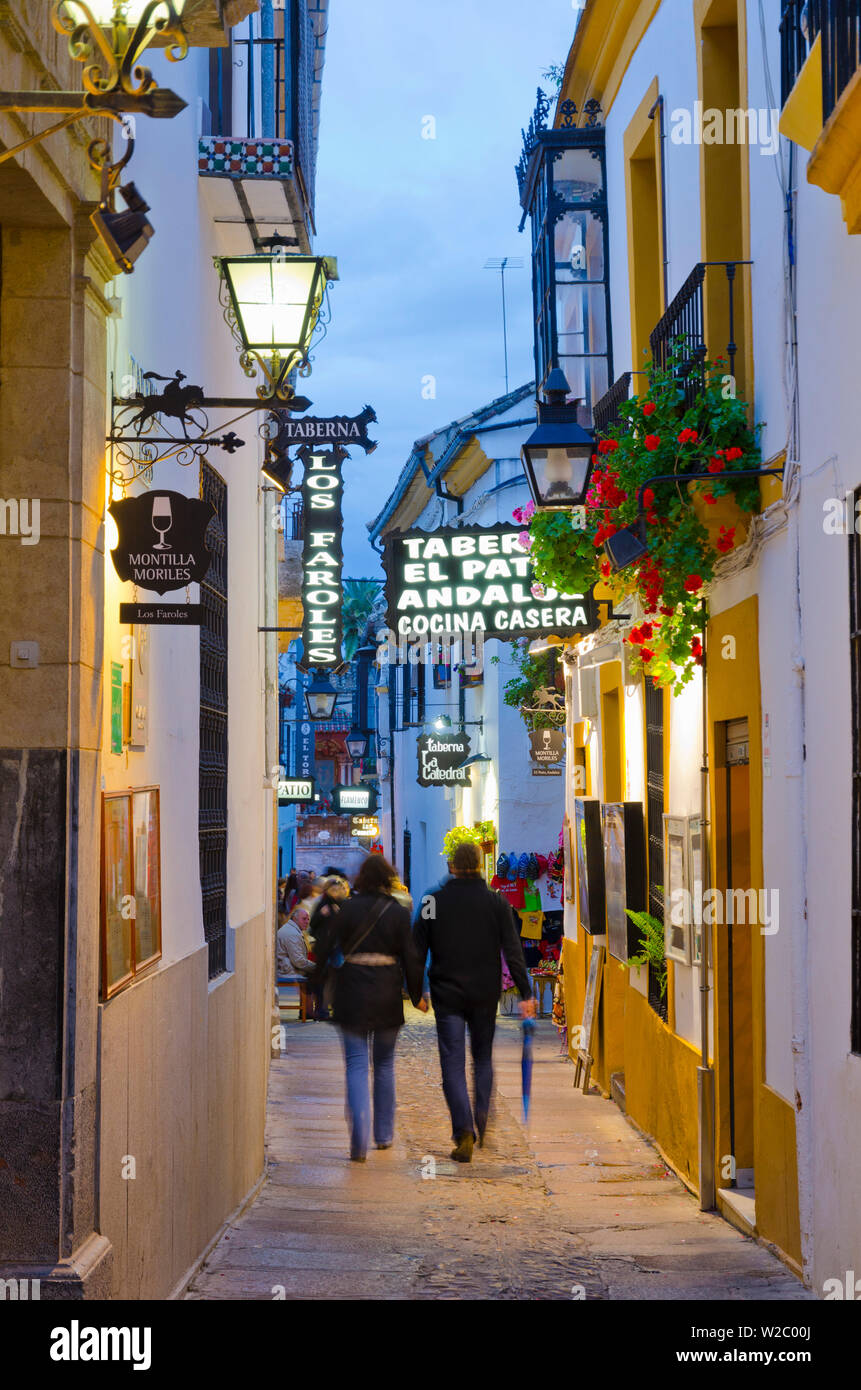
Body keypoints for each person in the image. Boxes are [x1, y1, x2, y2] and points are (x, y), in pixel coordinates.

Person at [413, 839, 535, 1164]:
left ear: (451, 866)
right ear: (480, 865)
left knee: (452, 1063)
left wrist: (415, 991)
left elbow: (416, 950)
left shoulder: (432, 901)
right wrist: (526, 993)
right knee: (482, 1058)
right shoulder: (496, 903)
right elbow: (513, 950)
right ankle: (482, 1114)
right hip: (484, 994)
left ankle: (464, 1131)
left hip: (447, 995)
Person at [310, 855, 424, 1161]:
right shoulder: (399, 914)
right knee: (384, 1066)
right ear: (388, 879)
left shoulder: (347, 909)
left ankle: (359, 1137)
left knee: (357, 1065)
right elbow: (412, 958)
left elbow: (324, 947)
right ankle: (384, 1134)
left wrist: (318, 985)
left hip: (352, 992)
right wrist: (416, 995)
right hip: (386, 992)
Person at [276, 906, 312, 979]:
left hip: (287, 972)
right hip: (288, 975)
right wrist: (317, 968)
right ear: (295, 919)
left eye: (308, 919)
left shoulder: (291, 929)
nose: (307, 922)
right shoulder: (292, 933)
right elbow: (299, 961)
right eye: (304, 919)